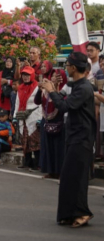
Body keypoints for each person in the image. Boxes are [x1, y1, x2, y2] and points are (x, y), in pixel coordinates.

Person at [40, 52, 95, 227]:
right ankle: (68, 214)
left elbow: (64, 106)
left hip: (82, 138)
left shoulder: (84, 87)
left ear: (73, 67)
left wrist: (51, 91)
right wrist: (54, 88)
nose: (66, 68)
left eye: (68, 64)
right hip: (74, 136)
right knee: (68, 178)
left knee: (77, 178)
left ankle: (82, 212)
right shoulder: (77, 85)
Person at [36, 67, 67, 179]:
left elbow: (62, 105)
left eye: (57, 76)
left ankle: (59, 172)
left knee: (58, 147)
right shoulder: (46, 90)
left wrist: (56, 90)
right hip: (47, 120)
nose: (54, 78)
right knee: (47, 147)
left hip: (59, 121)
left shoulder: (64, 90)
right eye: (52, 76)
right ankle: (50, 171)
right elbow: (37, 101)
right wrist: (40, 89)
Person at [15, 66, 41, 171]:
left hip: (33, 117)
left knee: (35, 141)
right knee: (24, 140)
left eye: (28, 75)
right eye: (24, 75)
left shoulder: (37, 87)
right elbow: (17, 102)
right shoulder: (20, 87)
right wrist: (14, 117)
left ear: (32, 75)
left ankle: (38, 164)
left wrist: (40, 118)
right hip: (22, 117)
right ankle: (27, 162)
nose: (25, 77)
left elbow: (40, 104)